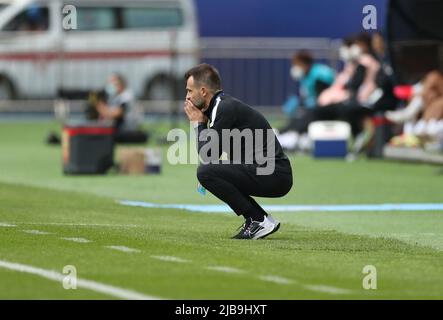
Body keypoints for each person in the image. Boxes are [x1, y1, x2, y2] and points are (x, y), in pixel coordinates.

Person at [183, 63, 293, 240]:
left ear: (203, 91)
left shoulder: (224, 107)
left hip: (274, 173)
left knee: (205, 172)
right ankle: (257, 219)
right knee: (208, 172)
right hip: (269, 170)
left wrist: (198, 123)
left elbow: (207, 155)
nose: (187, 97)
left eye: (189, 91)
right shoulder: (220, 106)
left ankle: (258, 220)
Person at [96, 74, 146, 143]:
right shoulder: (116, 96)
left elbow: (117, 113)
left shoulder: (127, 96)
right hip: (121, 130)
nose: (109, 85)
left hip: (128, 131)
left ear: (120, 84)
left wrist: (100, 108)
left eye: (112, 83)